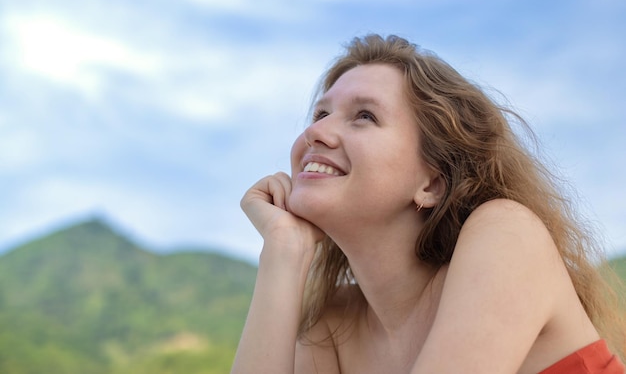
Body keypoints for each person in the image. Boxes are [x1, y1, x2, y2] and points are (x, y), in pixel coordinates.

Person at [231, 34, 625, 373]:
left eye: (364, 116)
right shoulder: (334, 325)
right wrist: (283, 250)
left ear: (432, 183)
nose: (316, 131)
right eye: (320, 113)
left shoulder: (506, 235)